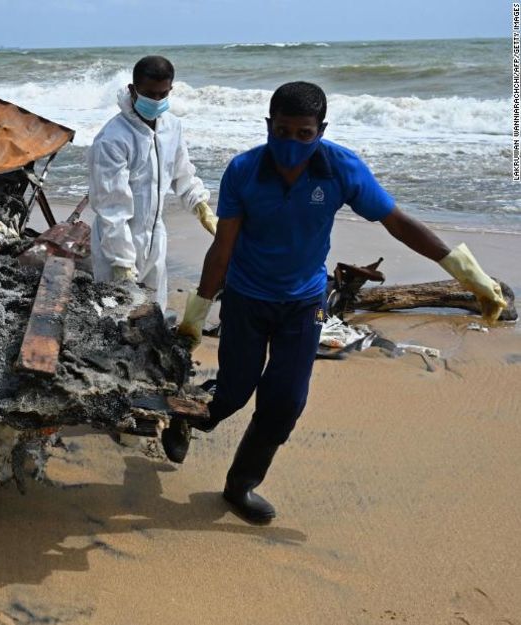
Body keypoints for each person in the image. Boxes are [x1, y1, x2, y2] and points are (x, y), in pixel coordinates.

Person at [171, 81, 507, 525]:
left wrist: (465, 272)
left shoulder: (340, 168)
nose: (292, 142)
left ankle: (240, 486)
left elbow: (397, 222)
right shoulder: (244, 170)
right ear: (268, 125)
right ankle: (185, 417)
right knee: (233, 392)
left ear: (321, 130)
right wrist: (197, 312)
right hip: (248, 298)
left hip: (303, 303)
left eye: (304, 133)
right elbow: (223, 247)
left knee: (286, 402)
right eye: (283, 131)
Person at [88, 55, 217, 311]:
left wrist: (201, 207)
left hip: (155, 237)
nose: (156, 101)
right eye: (149, 94)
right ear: (132, 90)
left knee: (152, 312)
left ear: (170, 89)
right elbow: (111, 208)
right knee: (116, 315)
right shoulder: (113, 139)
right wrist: (122, 262)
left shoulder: (172, 126)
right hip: (118, 240)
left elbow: (182, 174)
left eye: (162, 94)